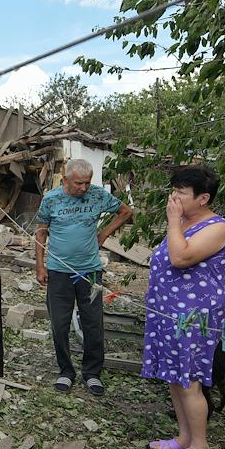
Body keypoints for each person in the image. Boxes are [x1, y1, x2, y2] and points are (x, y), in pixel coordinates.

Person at [141, 165, 225, 449]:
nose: (174, 198)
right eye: (174, 191)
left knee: (189, 380)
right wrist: (176, 222)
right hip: (168, 311)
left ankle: (199, 446)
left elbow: (181, 257)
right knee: (174, 376)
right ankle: (183, 438)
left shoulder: (218, 227)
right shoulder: (183, 222)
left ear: (203, 198)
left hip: (194, 315)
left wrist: (172, 222)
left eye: (181, 193)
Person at [35, 159, 135, 395]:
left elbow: (126, 212)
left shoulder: (97, 195)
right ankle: (66, 371)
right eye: (78, 183)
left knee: (92, 323)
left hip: (89, 271)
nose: (83, 188)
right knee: (59, 324)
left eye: (87, 183)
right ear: (65, 179)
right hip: (58, 271)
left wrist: (103, 234)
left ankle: (92, 373)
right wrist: (40, 266)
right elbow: (40, 233)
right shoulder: (51, 199)